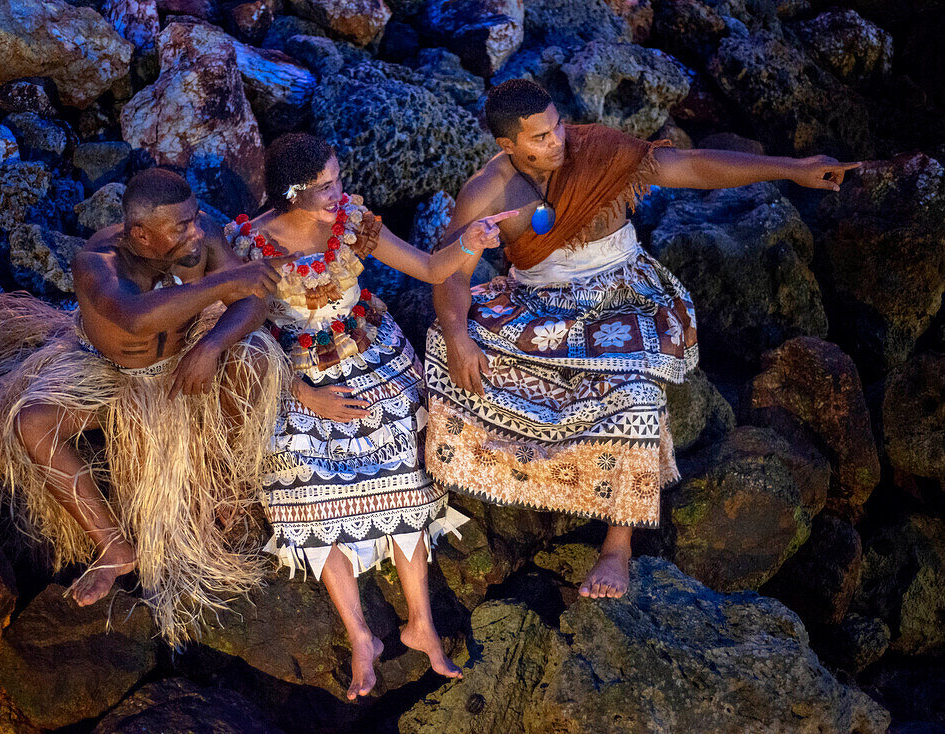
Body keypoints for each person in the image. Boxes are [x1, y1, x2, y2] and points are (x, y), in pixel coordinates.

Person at [427, 79, 860, 600]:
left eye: (558, 124)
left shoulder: (600, 149)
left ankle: (616, 547)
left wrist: (793, 169)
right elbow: (451, 273)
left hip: (625, 295)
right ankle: (477, 491)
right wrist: (457, 337)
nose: (558, 141)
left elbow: (691, 165)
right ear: (508, 146)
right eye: (540, 137)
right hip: (541, 303)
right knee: (441, 347)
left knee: (635, 396)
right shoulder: (487, 190)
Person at [0, 168, 294, 647]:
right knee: (31, 422)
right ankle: (113, 548)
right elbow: (136, 317)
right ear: (140, 233)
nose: (196, 231)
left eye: (194, 218)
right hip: (106, 371)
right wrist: (226, 284)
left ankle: (223, 484)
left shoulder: (198, 242)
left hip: (179, 366)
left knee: (253, 355)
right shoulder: (97, 263)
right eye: (181, 226)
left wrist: (212, 344)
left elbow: (257, 298)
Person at [226, 133, 512, 699]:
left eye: (338, 178)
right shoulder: (247, 246)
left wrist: (473, 242)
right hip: (294, 374)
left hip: (371, 354)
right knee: (298, 485)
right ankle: (361, 636)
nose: (341, 191)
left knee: (407, 465)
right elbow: (241, 337)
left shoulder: (351, 222)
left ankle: (421, 622)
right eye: (327, 186)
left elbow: (432, 269)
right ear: (291, 194)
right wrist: (305, 397)